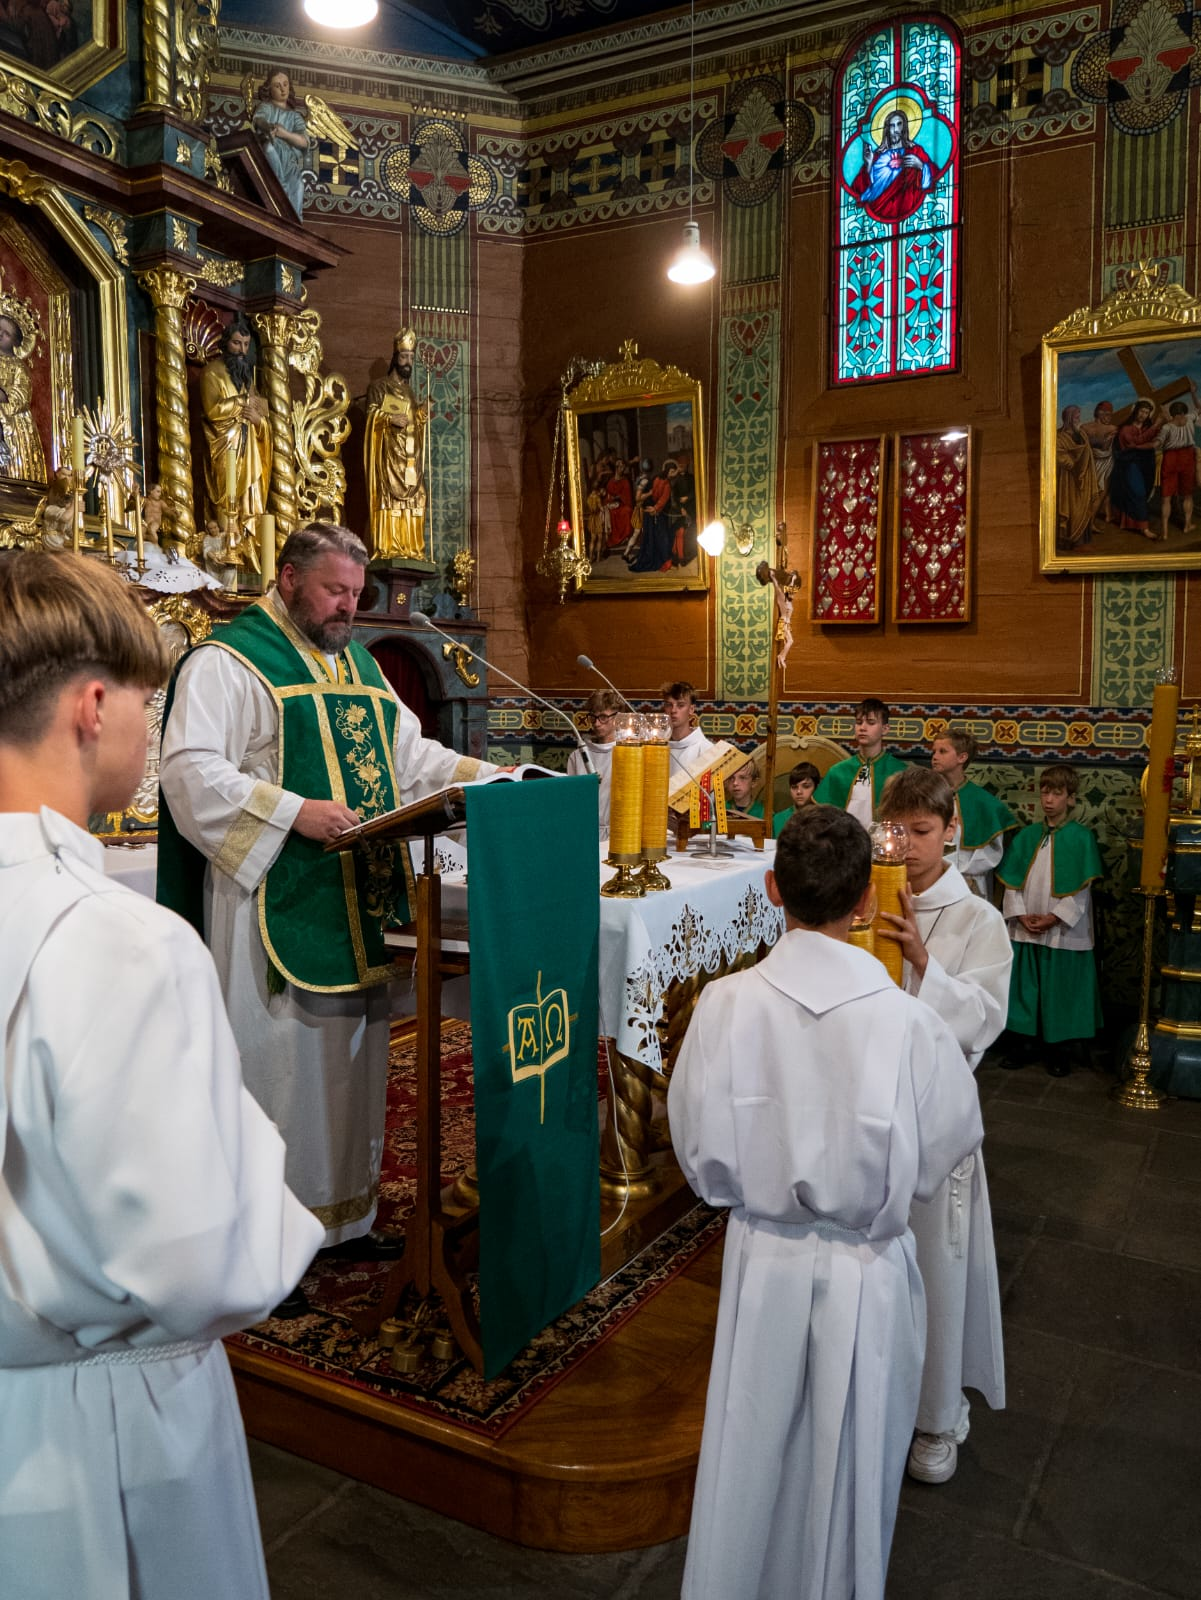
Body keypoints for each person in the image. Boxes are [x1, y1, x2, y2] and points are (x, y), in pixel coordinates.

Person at [0, 549, 322, 1599]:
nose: (152, 722)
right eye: (150, 696)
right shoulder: (122, 943)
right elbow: (207, 1265)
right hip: (103, 1445)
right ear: (93, 705)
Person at [157, 522, 496, 1267]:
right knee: (280, 1067)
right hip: (270, 905)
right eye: (334, 591)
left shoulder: (358, 670)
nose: (348, 607)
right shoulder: (229, 662)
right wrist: (291, 811)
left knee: (352, 1065)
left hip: (357, 899)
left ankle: (343, 1221)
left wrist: (496, 786)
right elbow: (187, 770)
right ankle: (268, 1241)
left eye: (354, 594)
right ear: (286, 580)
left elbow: (413, 762)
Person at [669, 805, 982, 1600]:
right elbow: (948, 1142)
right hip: (868, 1267)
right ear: (868, 903)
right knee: (853, 1468)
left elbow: (696, 1150)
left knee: (749, 1450)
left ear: (772, 888)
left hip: (759, 1257)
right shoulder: (908, 1024)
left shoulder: (723, 1006)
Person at [877, 768, 1011, 1486]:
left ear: (950, 830)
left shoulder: (975, 919)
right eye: (893, 830)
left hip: (933, 1116)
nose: (905, 846)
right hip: (868, 1111)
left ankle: (934, 1418)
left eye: (920, 832)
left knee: (935, 1265)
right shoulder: (868, 893)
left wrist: (924, 966)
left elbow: (986, 1020)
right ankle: (878, 1398)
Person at [997, 763, 1104, 1076]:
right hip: (1026, 925)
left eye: (1057, 793)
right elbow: (1011, 882)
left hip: (1062, 931)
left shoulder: (1081, 838)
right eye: (1045, 792)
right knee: (1025, 986)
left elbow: (1081, 891)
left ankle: (1058, 1049)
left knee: (1060, 990)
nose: (1049, 799)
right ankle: (1024, 1044)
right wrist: (1020, 914)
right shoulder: (1029, 835)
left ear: (1071, 798)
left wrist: (1055, 918)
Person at [199, 315, 272, 565]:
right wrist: (242, 403)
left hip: (248, 447)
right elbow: (212, 410)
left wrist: (258, 422)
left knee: (249, 498)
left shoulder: (245, 378)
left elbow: (262, 410)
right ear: (225, 344)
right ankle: (228, 547)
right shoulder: (212, 373)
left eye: (246, 345)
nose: (242, 350)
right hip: (224, 447)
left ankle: (248, 551)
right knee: (226, 495)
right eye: (236, 344)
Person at [929, 728, 1018, 898]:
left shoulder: (983, 803)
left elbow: (992, 852)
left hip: (969, 881)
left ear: (962, 757)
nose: (934, 756)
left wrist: (957, 870)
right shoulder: (926, 796)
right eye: (933, 751)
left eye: (942, 751)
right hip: (931, 879)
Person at [364, 327, 428, 561]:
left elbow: (413, 425)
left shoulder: (410, 393)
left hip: (410, 458)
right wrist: (388, 419)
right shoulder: (379, 387)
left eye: (411, 358)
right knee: (389, 499)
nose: (408, 362)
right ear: (395, 358)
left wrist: (420, 416)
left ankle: (411, 548)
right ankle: (389, 546)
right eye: (404, 357)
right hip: (389, 459)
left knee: (418, 496)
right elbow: (372, 416)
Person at [814, 697, 907, 826]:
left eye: (871, 722)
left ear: (885, 729)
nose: (863, 728)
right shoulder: (837, 772)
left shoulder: (900, 773)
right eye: (858, 722)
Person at [851, 108, 937, 224]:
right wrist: (869, 164)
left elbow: (934, 179)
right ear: (887, 129)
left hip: (910, 213)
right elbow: (860, 192)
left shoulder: (916, 151)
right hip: (878, 210)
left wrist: (921, 166)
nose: (895, 129)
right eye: (891, 126)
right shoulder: (875, 157)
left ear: (905, 127)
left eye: (899, 124)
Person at [252, 67, 311, 218]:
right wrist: (269, 127)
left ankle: (294, 222)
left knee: (298, 186)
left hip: (288, 160)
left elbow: (304, 141)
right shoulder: (266, 107)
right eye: (277, 86)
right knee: (270, 152)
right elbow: (259, 120)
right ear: (269, 89)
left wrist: (284, 133)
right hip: (271, 147)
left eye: (285, 84)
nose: (283, 89)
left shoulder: (295, 117)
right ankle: (279, 201)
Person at [0, 310, 46, 483]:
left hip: (11, 422)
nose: (1, 334)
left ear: (16, 341)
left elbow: (21, 395)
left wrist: (4, 397)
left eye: (7, 333)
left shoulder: (18, 367)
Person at [1110, 397, 1164, 538]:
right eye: (1141, 411)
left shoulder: (1147, 427)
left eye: (1146, 413)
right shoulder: (1125, 429)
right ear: (1135, 411)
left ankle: (1130, 523)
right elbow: (1136, 442)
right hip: (1129, 464)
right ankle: (1144, 528)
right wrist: (1155, 426)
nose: (1143, 415)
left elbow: (1157, 439)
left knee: (1142, 492)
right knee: (1138, 492)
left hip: (1145, 465)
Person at [567, 688, 618, 835]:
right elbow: (572, 800)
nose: (596, 724)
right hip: (586, 830)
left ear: (617, 717)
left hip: (618, 831)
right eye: (593, 717)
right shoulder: (578, 756)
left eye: (603, 717)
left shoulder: (629, 754)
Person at [1055, 403, 1100, 549]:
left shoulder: (1081, 435)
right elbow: (1060, 456)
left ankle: (1082, 540)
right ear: (1068, 418)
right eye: (1076, 417)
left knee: (1083, 506)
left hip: (1084, 480)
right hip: (1068, 480)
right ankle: (1069, 540)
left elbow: (1087, 453)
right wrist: (1075, 464)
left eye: (1079, 417)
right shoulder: (1059, 437)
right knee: (1071, 508)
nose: (1078, 420)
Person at [1157, 393, 1198, 540]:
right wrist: (1193, 393)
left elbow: (1159, 443)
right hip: (1187, 457)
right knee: (1187, 495)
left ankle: (1165, 532)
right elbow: (1199, 408)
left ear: (1173, 414)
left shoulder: (1167, 426)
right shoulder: (1189, 419)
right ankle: (1187, 526)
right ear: (1183, 412)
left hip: (1170, 458)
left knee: (1166, 498)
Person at [662, 679, 718, 782]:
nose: (673, 710)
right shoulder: (657, 747)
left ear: (691, 709)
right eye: (669, 705)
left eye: (680, 705)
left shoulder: (706, 750)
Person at [771, 758, 820, 837]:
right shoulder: (778, 819)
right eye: (794, 787)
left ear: (816, 787)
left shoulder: (824, 818)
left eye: (806, 786)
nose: (799, 792)